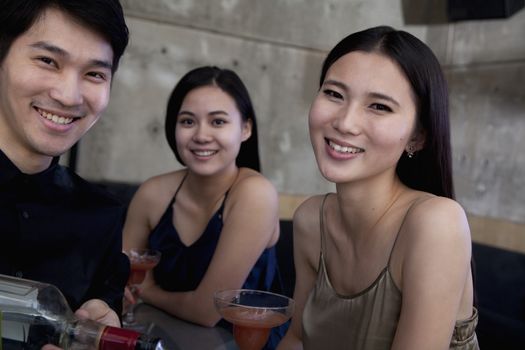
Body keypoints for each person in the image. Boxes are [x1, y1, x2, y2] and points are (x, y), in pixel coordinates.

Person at [277, 26, 479, 350]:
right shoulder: (310, 219)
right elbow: (297, 340)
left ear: (418, 136)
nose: (345, 122)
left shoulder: (436, 224)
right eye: (334, 94)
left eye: (379, 106)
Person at [123, 66, 284, 348]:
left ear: (245, 128)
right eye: (187, 122)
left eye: (218, 122)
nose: (201, 135)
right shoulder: (153, 193)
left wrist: (148, 292)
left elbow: (208, 311)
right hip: (163, 338)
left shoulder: (255, 194)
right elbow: (118, 280)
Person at [0, 0, 130, 336]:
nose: (70, 96)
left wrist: (100, 323)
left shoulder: (102, 217)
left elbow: (103, 309)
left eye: (95, 74)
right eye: (48, 61)